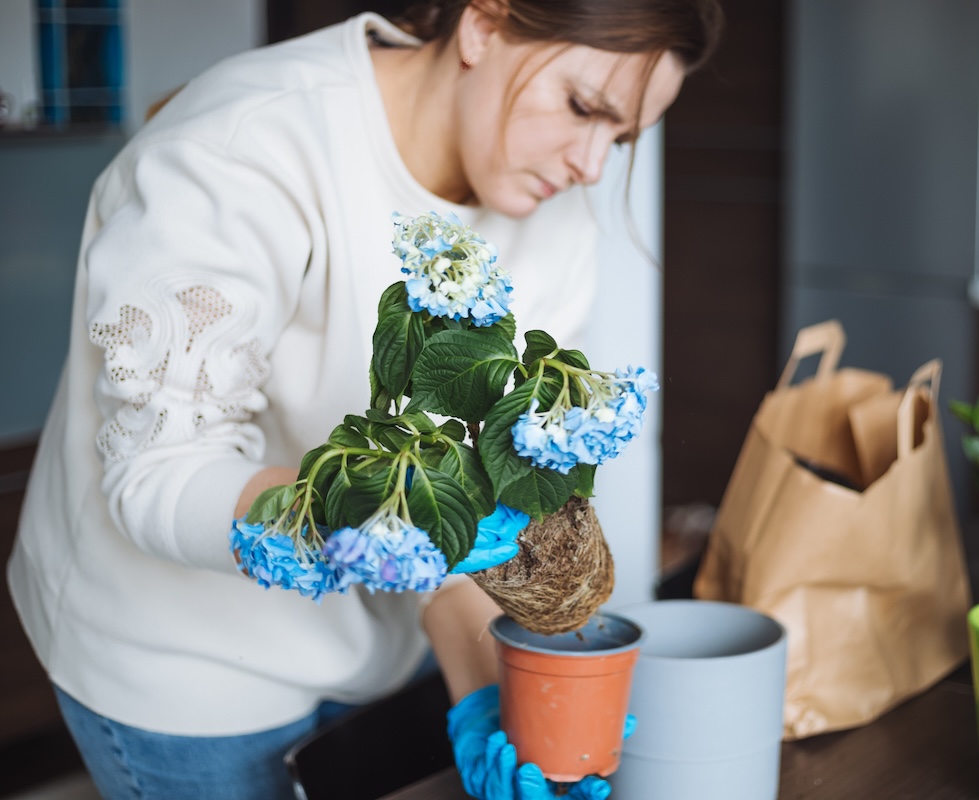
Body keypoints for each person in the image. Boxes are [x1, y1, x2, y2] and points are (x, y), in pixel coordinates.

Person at [6, 1, 722, 798]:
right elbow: (163, 472)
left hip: (381, 650)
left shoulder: (554, 224)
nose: (592, 165)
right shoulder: (246, 147)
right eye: (585, 108)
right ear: (485, 25)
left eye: (620, 138)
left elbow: (461, 520)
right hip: (181, 660)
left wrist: (488, 686)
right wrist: (369, 509)